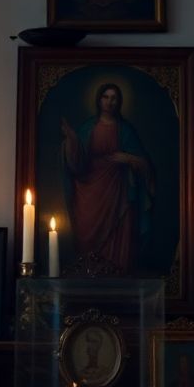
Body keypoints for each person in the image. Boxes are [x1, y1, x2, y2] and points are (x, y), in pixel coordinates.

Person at [60, 83, 154, 274]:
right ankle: (90, 272)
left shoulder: (125, 130)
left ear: (119, 102)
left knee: (118, 233)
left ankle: (118, 273)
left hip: (118, 188)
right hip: (90, 188)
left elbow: (143, 162)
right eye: (105, 97)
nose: (109, 102)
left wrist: (127, 158)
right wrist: (71, 140)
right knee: (87, 232)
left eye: (114, 98)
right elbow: (76, 160)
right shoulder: (88, 127)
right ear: (98, 99)